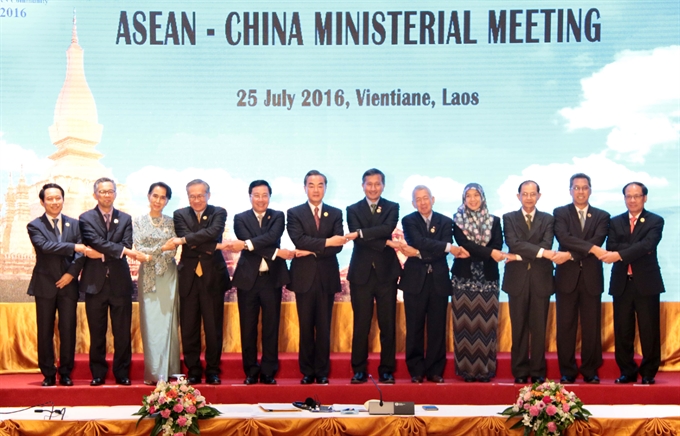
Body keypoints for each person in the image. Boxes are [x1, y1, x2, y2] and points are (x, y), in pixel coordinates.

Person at [399, 185, 469, 383]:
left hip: (438, 280)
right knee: (414, 327)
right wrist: (445, 247)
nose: (422, 202)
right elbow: (418, 241)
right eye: (418, 199)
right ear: (413, 203)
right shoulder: (408, 220)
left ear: (433, 199)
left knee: (437, 327)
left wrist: (419, 253)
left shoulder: (445, 222)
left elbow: (437, 251)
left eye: (425, 198)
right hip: (414, 281)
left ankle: (435, 370)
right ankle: (416, 371)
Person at [228, 180, 294, 385]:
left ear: (269, 197)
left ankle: (268, 372)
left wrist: (247, 244)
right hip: (248, 281)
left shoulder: (278, 216)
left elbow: (272, 236)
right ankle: (250, 371)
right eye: (256, 195)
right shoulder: (240, 218)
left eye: (264, 195)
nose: (261, 199)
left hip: (271, 280)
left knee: (271, 327)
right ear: (250, 197)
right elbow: (262, 241)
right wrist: (277, 252)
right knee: (248, 328)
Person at [601, 182, 665, 385]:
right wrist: (633, 249)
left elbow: (648, 244)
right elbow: (611, 245)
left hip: (646, 283)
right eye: (629, 196)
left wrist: (620, 254)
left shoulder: (655, 220)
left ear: (645, 197)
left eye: (637, 196)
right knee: (623, 330)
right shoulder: (615, 221)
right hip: (622, 283)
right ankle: (627, 371)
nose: (632, 200)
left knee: (649, 330)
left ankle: (648, 373)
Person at [286, 170, 347, 384]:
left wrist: (312, 249)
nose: (316, 189)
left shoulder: (336, 213)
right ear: (305, 188)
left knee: (323, 326)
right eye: (311, 185)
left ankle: (321, 372)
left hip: (327, 276)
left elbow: (338, 246)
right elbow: (298, 239)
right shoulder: (294, 213)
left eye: (320, 185)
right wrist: (327, 242)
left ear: (325, 188)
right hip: (303, 277)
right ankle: (307, 371)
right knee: (305, 325)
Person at [79, 177, 140, 386]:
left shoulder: (125, 218)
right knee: (97, 332)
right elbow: (93, 241)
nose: (107, 195)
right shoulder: (85, 218)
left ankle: (122, 373)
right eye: (102, 192)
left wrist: (104, 254)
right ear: (95, 194)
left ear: (115, 193)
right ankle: (98, 373)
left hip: (120, 283)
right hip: (94, 284)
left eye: (110, 191)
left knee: (122, 332)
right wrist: (120, 251)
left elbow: (126, 243)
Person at [503, 180, 563, 384]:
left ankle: (537, 371)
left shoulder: (548, 219)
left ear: (539, 196)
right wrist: (539, 253)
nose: (528, 197)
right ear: (518, 196)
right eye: (524, 194)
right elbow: (513, 243)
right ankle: (519, 371)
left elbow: (547, 244)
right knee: (518, 327)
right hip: (517, 280)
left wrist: (519, 255)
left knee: (539, 328)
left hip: (541, 278)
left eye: (532, 194)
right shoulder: (509, 218)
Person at [27, 183, 87, 387]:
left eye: (58, 198)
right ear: (42, 202)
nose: (54, 202)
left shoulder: (75, 224)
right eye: (50, 199)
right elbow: (45, 247)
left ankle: (66, 372)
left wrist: (71, 274)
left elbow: (81, 254)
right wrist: (74, 246)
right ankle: (48, 374)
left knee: (68, 329)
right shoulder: (35, 225)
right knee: (45, 331)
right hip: (45, 284)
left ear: (63, 199)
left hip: (68, 285)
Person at [345, 169, 401, 384]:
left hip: (387, 273)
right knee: (361, 324)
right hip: (361, 274)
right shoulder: (352, 209)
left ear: (383, 186)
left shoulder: (392, 207)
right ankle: (358, 369)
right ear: (362, 185)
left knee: (388, 324)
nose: (373, 188)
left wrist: (361, 232)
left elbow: (386, 228)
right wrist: (385, 241)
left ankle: (387, 369)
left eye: (377, 184)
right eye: (369, 184)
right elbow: (359, 239)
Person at [173, 179, 231, 385]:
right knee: (189, 327)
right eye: (192, 196)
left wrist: (188, 241)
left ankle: (213, 370)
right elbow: (186, 235)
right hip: (188, 278)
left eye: (200, 195)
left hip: (213, 277)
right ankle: (194, 370)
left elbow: (213, 232)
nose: (196, 200)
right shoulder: (180, 214)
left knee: (213, 327)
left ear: (208, 195)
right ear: (188, 196)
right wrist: (210, 245)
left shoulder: (219, 212)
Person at [553, 173, 610, 384]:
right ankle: (567, 371)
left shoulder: (602, 216)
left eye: (584, 188)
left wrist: (569, 254)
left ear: (590, 190)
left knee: (591, 327)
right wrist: (592, 249)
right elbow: (564, 238)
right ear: (570, 191)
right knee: (565, 326)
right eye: (576, 188)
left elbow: (598, 240)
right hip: (566, 279)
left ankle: (590, 371)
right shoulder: (560, 213)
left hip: (591, 279)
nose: (580, 191)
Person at [451, 183, 504, 383]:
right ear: (463, 199)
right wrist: (489, 252)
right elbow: (465, 245)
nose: (472, 199)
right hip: (463, 281)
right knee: (464, 326)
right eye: (468, 196)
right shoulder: (457, 221)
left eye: (476, 195)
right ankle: (467, 372)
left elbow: (498, 244)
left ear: (482, 197)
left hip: (488, 280)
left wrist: (481, 251)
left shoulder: (494, 221)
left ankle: (485, 371)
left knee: (487, 326)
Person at [133, 182, 181, 384]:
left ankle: (170, 370)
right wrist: (160, 250)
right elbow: (138, 249)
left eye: (163, 197)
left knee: (169, 322)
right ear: (148, 196)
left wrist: (154, 252)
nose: (158, 201)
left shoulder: (172, 222)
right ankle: (154, 371)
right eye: (155, 196)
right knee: (151, 322)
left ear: (167, 200)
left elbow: (173, 249)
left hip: (168, 274)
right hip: (148, 276)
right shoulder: (137, 221)